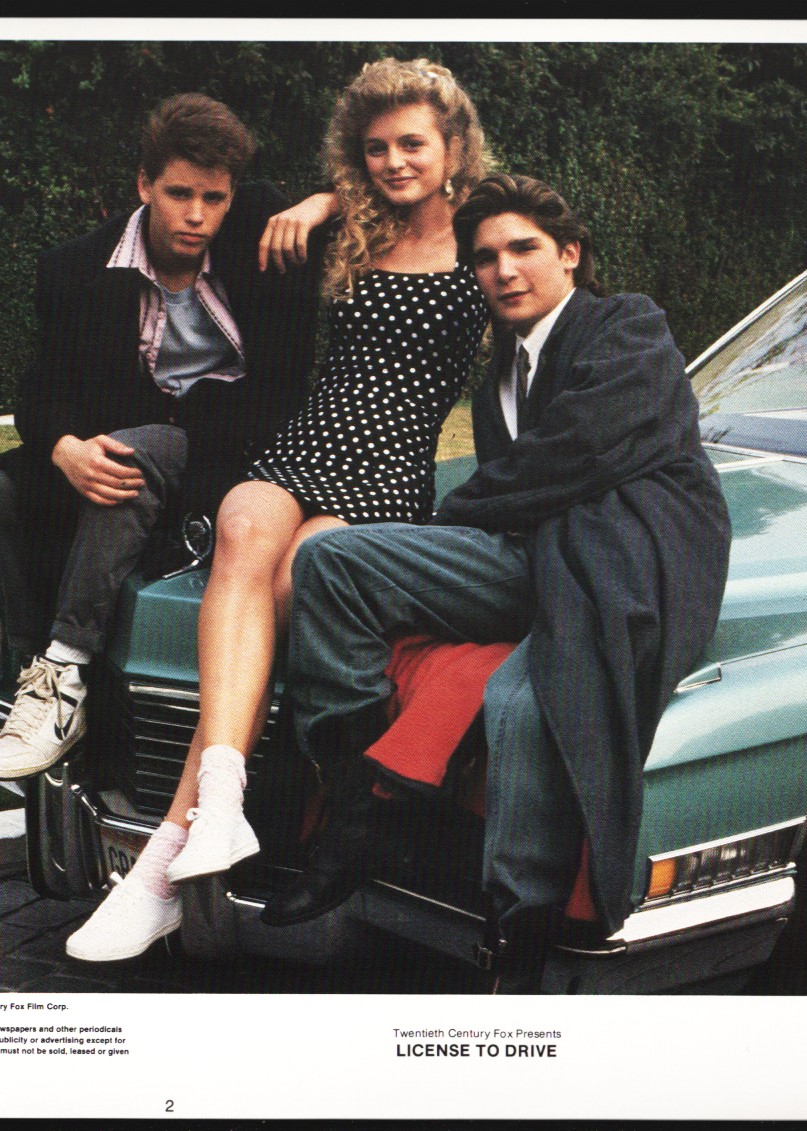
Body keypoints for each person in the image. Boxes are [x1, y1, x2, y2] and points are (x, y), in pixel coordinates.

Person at [64, 59, 492, 962]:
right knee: (242, 522)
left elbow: (549, 277)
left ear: (453, 147)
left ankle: (165, 855)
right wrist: (322, 201)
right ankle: (221, 805)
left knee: (298, 576)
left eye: (412, 144)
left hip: (386, 468)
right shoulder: (355, 225)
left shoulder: (487, 241)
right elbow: (234, 197)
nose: (393, 162)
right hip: (307, 442)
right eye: (374, 148)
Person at [262, 174, 733, 994]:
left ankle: (519, 926)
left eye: (523, 248)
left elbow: (577, 451)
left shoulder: (629, 326)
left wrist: (454, 517)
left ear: (569, 254)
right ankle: (363, 800)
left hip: (623, 560)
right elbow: (520, 497)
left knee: (528, 695)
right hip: (530, 553)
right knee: (329, 561)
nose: (504, 270)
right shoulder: (497, 382)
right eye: (484, 257)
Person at [0, 92, 317, 784]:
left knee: (133, 452)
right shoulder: (77, 268)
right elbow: (39, 390)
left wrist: (320, 205)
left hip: (237, 445)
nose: (197, 216)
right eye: (179, 194)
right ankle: (32, 675)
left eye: (214, 199)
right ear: (144, 184)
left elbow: (381, 190)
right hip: (133, 438)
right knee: (4, 484)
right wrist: (66, 448)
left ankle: (66, 669)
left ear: (233, 196)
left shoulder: (258, 231)